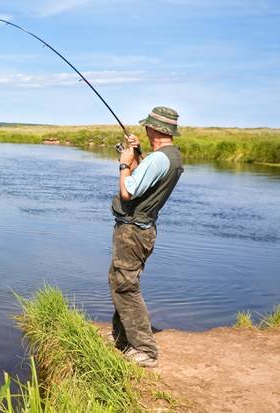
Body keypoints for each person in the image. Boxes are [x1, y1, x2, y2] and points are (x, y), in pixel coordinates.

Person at [108, 106, 184, 368]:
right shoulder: (168, 157)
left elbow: (129, 190)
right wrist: (137, 154)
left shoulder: (159, 159)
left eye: (148, 126)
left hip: (134, 232)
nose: (145, 129)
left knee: (126, 285)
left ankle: (145, 350)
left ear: (157, 129)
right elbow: (144, 179)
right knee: (119, 281)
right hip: (140, 229)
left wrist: (123, 162)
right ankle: (122, 337)